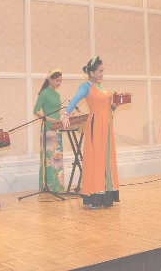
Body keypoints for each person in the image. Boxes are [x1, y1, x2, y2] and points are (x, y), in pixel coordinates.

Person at [61, 56, 120, 209]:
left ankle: (107, 195)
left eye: (103, 71)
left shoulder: (102, 87)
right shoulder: (85, 87)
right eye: (100, 71)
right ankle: (95, 197)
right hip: (96, 124)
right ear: (92, 73)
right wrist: (66, 113)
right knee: (96, 158)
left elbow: (107, 107)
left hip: (107, 124)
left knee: (106, 158)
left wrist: (114, 106)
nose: (102, 73)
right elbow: (75, 99)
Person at [33, 69, 64, 193]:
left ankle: (58, 187)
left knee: (58, 157)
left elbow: (58, 111)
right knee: (49, 158)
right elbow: (36, 110)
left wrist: (64, 117)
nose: (58, 83)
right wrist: (49, 119)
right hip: (48, 128)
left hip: (58, 128)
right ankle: (49, 186)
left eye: (60, 81)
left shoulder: (57, 94)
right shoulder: (44, 92)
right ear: (50, 79)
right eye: (57, 80)